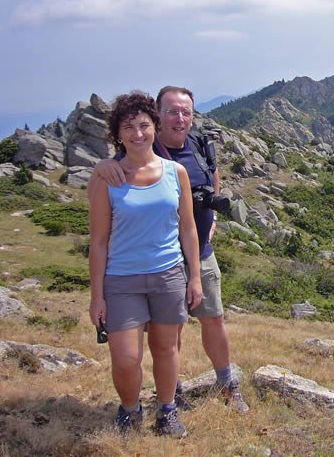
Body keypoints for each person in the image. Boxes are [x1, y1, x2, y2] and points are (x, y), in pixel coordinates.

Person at [94, 85, 249, 413]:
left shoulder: (199, 145)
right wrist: (101, 167)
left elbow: (212, 176)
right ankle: (172, 393)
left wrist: (212, 219)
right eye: (171, 112)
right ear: (158, 117)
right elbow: (120, 174)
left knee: (214, 319)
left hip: (198, 254)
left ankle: (227, 385)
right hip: (159, 261)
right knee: (170, 335)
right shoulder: (144, 151)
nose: (179, 118)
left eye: (186, 112)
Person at [88, 91, 203, 437]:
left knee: (166, 349)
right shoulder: (106, 177)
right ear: (117, 134)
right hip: (121, 279)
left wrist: (194, 277)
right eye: (128, 127)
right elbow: (98, 241)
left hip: (168, 274)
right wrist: (97, 297)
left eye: (143, 125)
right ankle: (130, 409)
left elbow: (188, 228)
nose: (137, 134)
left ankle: (167, 410)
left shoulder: (175, 172)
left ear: (154, 126)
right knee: (125, 358)